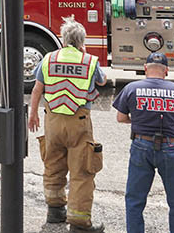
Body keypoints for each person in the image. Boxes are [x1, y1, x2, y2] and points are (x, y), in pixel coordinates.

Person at [28, 16, 107, 232]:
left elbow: (37, 89)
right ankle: (79, 222)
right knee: (81, 171)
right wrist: (83, 54)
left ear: (63, 40)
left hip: (52, 121)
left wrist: (32, 114)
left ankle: (55, 213)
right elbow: (102, 81)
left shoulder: (49, 59)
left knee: (53, 165)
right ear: (82, 42)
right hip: (78, 122)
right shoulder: (89, 61)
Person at [113, 52, 174, 233]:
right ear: (166, 70)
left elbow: (120, 118)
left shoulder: (132, 88)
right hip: (171, 147)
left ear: (145, 69)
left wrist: (137, 122)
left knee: (135, 200)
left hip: (141, 145)